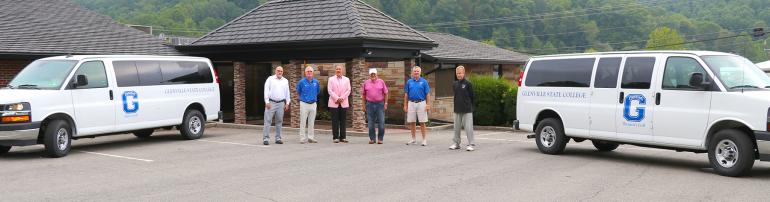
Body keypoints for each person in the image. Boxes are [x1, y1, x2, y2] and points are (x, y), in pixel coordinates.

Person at [450, 66, 476, 151]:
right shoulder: (455, 84)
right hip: (457, 109)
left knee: (468, 128)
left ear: (464, 73)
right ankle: (456, 143)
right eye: (457, 73)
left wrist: (470, 106)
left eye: (460, 73)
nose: (459, 75)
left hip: (467, 110)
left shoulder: (468, 83)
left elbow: (472, 96)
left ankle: (470, 144)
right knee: (456, 128)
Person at [404, 66, 431, 146]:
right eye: (415, 71)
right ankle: (413, 139)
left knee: (422, 122)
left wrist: (428, 104)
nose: (416, 73)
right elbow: (406, 94)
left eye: (417, 71)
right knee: (412, 122)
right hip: (411, 103)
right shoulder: (409, 82)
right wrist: (405, 105)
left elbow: (428, 94)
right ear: (412, 73)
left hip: (421, 103)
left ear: (420, 72)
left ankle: (424, 139)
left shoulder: (424, 82)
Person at [263, 66, 290, 145]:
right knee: (267, 120)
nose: (279, 72)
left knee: (279, 121)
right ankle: (266, 139)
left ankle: (278, 138)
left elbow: (287, 92)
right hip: (271, 103)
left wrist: (287, 103)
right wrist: (266, 101)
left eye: (281, 71)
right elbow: (266, 90)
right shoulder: (270, 79)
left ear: (283, 72)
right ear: (275, 71)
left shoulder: (285, 81)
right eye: (278, 71)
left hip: (281, 103)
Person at [362, 68, 388, 144]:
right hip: (369, 104)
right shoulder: (366, 83)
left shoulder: (381, 82)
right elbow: (363, 95)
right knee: (370, 123)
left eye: (374, 74)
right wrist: (363, 105)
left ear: (377, 74)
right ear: (369, 75)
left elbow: (386, 93)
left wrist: (386, 103)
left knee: (381, 122)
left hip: (380, 104)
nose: (373, 75)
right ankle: (372, 139)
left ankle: (380, 139)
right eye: (371, 74)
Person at [327, 64, 351, 143]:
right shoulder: (331, 79)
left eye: (339, 69)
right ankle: (335, 137)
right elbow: (330, 90)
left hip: (343, 102)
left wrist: (342, 98)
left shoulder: (347, 79)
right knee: (335, 121)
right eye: (337, 69)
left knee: (343, 121)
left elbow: (348, 90)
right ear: (335, 70)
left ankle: (343, 137)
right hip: (334, 103)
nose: (338, 70)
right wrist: (337, 98)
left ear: (342, 70)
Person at [297, 66, 320, 144]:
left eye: (310, 71)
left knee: (311, 122)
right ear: (305, 73)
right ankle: (302, 138)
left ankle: (311, 137)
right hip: (304, 104)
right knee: (303, 122)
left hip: (313, 104)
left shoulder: (316, 82)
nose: (309, 73)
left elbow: (317, 91)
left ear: (313, 73)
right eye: (308, 72)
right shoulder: (301, 82)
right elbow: (299, 92)